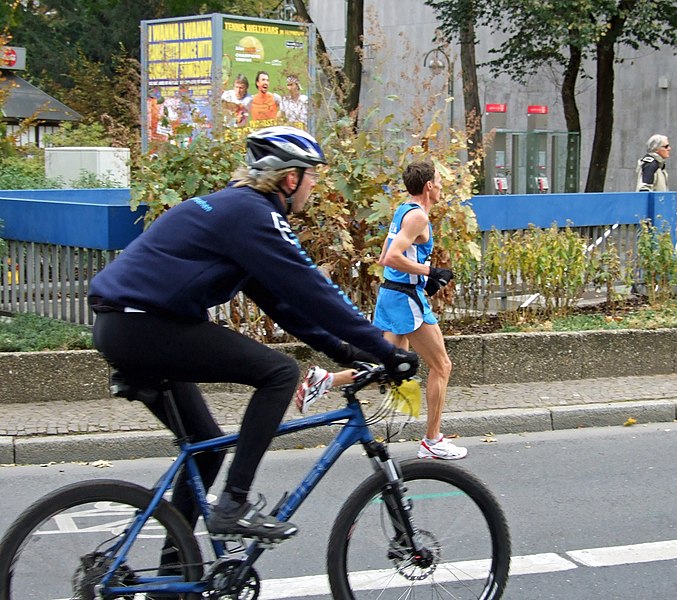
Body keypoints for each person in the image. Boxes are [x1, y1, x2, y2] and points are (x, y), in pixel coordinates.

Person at [88, 126, 418, 545]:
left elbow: (282, 305)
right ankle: (234, 504)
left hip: (128, 325)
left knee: (206, 448)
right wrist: (386, 352)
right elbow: (314, 292)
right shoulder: (254, 216)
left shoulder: (238, 212)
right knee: (279, 372)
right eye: (312, 175)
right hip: (144, 324)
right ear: (290, 177)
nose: (314, 185)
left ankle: (176, 580)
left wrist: (346, 352)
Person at [373, 160, 467, 460]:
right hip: (404, 299)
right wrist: (428, 272)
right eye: (439, 181)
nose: (441, 186)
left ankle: (325, 381)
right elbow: (390, 257)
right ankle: (432, 440)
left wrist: (416, 273)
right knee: (442, 366)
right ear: (428, 186)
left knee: (389, 365)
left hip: (390, 294)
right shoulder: (418, 218)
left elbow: (382, 256)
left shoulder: (403, 210)